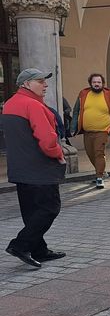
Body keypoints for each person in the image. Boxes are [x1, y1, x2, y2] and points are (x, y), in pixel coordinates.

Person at [2, 69, 67, 268]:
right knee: (50, 208)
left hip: (20, 169)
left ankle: (39, 249)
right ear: (26, 84)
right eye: (40, 81)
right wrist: (59, 154)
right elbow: (47, 141)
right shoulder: (33, 105)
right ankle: (20, 245)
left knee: (31, 211)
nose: (45, 85)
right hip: (39, 169)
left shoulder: (9, 104)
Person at [71, 73, 110, 189]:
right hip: (87, 131)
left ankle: (99, 177)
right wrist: (73, 127)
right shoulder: (83, 94)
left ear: (103, 83)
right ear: (90, 83)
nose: (96, 84)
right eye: (94, 82)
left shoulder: (109, 95)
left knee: (99, 153)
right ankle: (102, 171)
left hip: (103, 131)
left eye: (99, 82)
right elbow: (76, 111)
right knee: (90, 153)